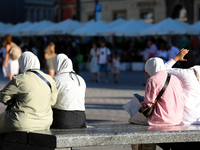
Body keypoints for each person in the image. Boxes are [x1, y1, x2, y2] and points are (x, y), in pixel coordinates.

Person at [132, 57, 185, 150]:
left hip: (161, 120)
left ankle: (147, 147)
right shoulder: (175, 78)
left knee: (133, 122)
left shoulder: (152, 80)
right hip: (177, 118)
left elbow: (147, 105)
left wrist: (142, 101)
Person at [0, 52, 58, 133]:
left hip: (21, 122)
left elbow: (3, 98)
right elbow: (52, 101)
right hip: (45, 123)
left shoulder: (19, 79)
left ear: (22, 63)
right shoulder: (49, 79)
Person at [51, 54, 86, 129]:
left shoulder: (56, 80)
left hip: (63, 119)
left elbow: (51, 101)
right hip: (81, 119)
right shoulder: (81, 79)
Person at [165, 49, 200, 125]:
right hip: (198, 117)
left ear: (183, 60)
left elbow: (160, 71)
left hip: (185, 118)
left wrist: (176, 58)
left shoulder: (185, 72)